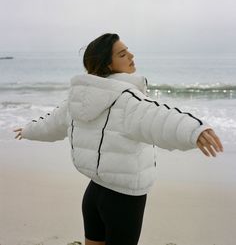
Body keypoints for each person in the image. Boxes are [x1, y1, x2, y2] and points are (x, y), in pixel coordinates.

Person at [14, 33, 223, 245]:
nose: (131, 55)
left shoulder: (77, 98)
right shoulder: (127, 100)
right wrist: (195, 130)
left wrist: (29, 130)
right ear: (108, 64)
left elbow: (51, 125)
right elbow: (160, 117)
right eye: (123, 54)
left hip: (93, 194)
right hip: (124, 200)